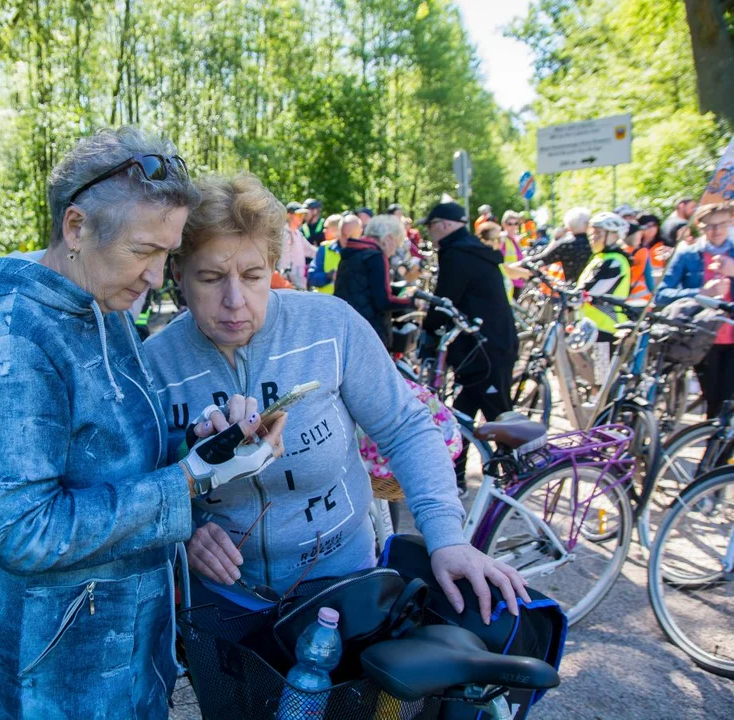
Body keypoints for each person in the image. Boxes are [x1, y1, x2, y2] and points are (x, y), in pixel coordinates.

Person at [0, 128, 285, 718]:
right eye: (143, 251)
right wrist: (187, 482)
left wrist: (199, 444)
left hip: (121, 652)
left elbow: (114, 455)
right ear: (76, 228)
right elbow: (23, 529)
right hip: (48, 676)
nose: (156, 276)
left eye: (166, 255)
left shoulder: (107, 306)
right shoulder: (9, 338)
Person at [144, 172, 529, 622]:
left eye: (252, 276)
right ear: (177, 274)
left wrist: (447, 538)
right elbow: (140, 480)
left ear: (274, 266)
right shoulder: (153, 365)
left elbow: (404, 427)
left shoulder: (330, 327)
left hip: (342, 585)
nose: (235, 300)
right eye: (210, 278)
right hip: (222, 600)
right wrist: (185, 530)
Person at [420, 202, 517, 490]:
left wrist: (428, 330)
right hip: (486, 346)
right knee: (462, 412)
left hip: (486, 350)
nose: (429, 231)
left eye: (431, 224)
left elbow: (445, 299)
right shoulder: (469, 248)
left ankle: (516, 475)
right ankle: (458, 476)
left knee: (498, 414)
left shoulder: (457, 253)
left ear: (445, 225)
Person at [656, 202, 734, 418]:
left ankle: (719, 447)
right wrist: (701, 293)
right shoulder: (687, 255)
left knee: (728, 401)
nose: (716, 231)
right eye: (710, 226)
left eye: (722, 224)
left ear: (731, 223)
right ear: (700, 227)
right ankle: (715, 447)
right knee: (714, 401)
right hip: (702, 339)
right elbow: (662, 294)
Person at [334, 214, 416, 345]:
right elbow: (383, 301)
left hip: (347, 328)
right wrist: (411, 301)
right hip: (369, 333)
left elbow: (363, 287)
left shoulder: (351, 252)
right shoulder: (376, 257)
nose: (394, 251)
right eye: (396, 244)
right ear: (388, 238)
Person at [577, 212, 633, 381]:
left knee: (602, 381)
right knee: (592, 377)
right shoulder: (599, 258)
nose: (593, 238)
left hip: (607, 328)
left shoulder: (615, 260)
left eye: (598, 233)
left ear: (614, 235)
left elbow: (592, 289)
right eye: (591, 233)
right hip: (591, 326)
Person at [526, 207, 593, 283]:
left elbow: (545, 257)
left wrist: (555, 240)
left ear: (569, 225)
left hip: (572, 288)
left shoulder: (567, 244)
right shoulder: (594, 243)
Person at [279, 201, 317, 289]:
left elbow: (311, 251)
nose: (301, 217)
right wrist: (285, 281)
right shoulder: (284, 234)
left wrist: (326, 250)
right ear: (288, 215)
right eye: (298, 214)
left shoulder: (298, 234)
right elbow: (283, 262)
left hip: (299, 283)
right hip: (288, 285)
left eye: (302, 215)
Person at [308, 213, 344, 294]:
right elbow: (312, 278)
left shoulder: (351, 248)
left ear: (337, 230)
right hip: (326, 301)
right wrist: (329, 275)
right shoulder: (324, 248)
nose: (324, 231)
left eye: (327, 228)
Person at [623, 222, 655, 302]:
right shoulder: (643, 252)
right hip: (642, 299)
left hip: (623, 297)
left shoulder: (620, 252)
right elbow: (649, 279)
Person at [500, 211, 526, 296]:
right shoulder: (502, 239)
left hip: (517, 281)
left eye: (516, 223)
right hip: (506, 283)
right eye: (509, 224)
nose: (513, 226)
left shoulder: (516, 240)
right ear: (504, 224)